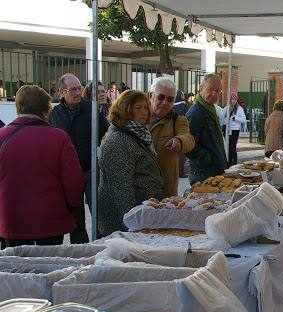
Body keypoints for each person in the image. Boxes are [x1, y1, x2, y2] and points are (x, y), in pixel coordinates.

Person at [0, 85, 83, 248]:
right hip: (51, 218)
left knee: (16, 268)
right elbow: (74, 181)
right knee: (50, 266)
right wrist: (71, 207)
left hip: (11, 218)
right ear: (47, 108)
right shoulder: (59, 138)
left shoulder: (2, 136)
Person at [49, 73, 109, 243]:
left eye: (79, 88)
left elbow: (106, 134)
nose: (77, 92)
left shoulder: (91, 110)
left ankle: (100, 247)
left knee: (98, 214)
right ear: (62, 93)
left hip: (90, 170)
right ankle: (80, 251)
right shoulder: (55, 114)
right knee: (76, 219)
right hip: (68, 175)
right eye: (73, 89)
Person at [98, 90, 164, 236]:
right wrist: (134, 224)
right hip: (124, 224)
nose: (144, 112)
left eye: (146, 107)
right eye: (138, 108)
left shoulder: (139, 134)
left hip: (142, 213)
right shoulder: (119, 140)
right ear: (126, 110)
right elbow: (121, 189)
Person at [148, 77, 195, 197]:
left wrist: (179, 141)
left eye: (170, 99)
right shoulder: (138, 120)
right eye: (161, 97)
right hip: (141, 191)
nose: (165, 102)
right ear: (150, 96)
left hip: (166, 192)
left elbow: (188, 138)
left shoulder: (178, 120)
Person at [186, 73, 228, 184]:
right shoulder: (196, 113)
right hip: (203, 175)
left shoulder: (210, 109)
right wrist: (208, 158)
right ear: (201, 88)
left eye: (217, 90)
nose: (214, 93)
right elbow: (189, 145)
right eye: (210, 89)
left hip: (213, 172)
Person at [223, 91, 247, 166]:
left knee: (232, 147)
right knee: (227, 147)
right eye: (232, 99)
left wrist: (235, 118)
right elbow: (222, 118)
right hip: (227, 130)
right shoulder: (226, 108)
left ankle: (234, 163)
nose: (233, 101)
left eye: (235, 99)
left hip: (234, 130)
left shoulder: (239, 109)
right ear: (230, 100)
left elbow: (243, 120)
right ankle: (228, 162)